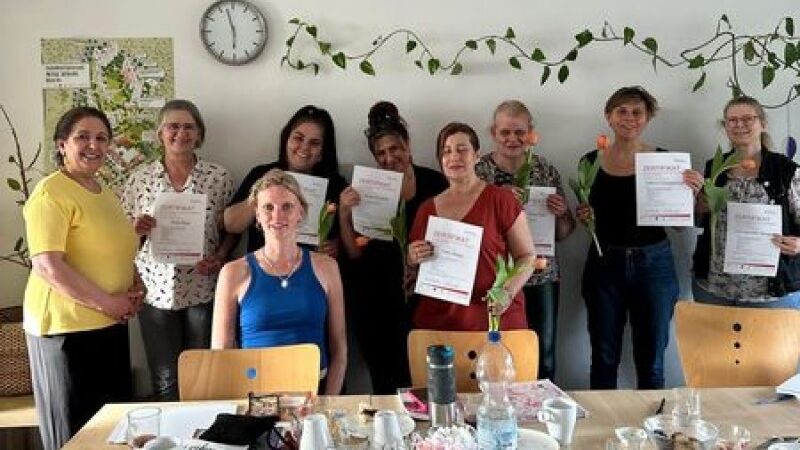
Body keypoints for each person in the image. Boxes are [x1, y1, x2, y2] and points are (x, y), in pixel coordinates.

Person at [23, 106, 143, 450]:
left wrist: (135, 283)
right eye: (83, 137)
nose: (94, 145)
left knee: (112, 433)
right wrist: (108, 303)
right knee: (75, 436)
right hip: (67, 331)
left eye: (102, 138)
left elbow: (115, 247)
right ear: (62, 144)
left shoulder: (103, 191)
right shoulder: (51, 193)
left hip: (109, 323)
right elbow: (47, 265)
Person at [576, 86, 697, 390]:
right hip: (604, 263)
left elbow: (680, 227)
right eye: (622, 111)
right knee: (603, 358)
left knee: (652, 360)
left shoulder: (666, 162)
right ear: (609, 116)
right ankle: (602, 420)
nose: (629, 118)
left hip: (654, 263)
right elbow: (589, 218)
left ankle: (653, 420)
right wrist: (585, 216)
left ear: (647, 118)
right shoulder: (589, 161)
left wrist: (691, 195)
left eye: (637, 112)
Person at [122, 99, 235, 400]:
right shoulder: (139, 179)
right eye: (173, 126)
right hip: (154, 290)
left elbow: (231, 229)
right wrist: (137, 230)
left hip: (202, 286)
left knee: (204, 374)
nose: (181, 133)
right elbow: (122, 240)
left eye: (189, 127)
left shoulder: (219, 177)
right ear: (160, 133)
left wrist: (220, 256)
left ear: (199, 134)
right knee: (166, 379)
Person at [338, 101, 448, 393]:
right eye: (381, 153)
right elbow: (354, 253)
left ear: (408, 145)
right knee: (384, 381)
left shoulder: (436, 183)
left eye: (394, 148)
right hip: (376, 298)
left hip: (424, 297)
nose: (389, 158)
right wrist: (344, 214)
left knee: (424, 378)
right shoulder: (367, 189)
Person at [212, 169, 347, 394]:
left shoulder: (327, 267)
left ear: (300, 212)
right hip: (255, 393)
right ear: (257, 214)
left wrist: (328, 404)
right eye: (268, 207)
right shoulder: (233, 272)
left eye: (287, 207)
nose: (277, 216)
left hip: (313, 391)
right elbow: (221, 353)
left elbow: (339, 350)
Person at [476, 100, 575, 381]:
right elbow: (468, 225)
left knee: (543, 355)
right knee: (495, 354)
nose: (512, 139)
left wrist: (562, 214)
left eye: (519, 132)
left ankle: (541, 406)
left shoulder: (545, 170)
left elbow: (564, 233)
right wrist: (497, 200)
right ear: (493, 133)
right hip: (495, 279)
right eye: (505, 132)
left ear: (530, 133)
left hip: (541, 276)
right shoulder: (478, 172)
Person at [408, 122, 536, 331]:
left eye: (462, 149)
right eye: (446, 151)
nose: (454, 157)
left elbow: (527, 256)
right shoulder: (426, 209)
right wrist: (412, 257)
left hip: (495, 322)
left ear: (477, 155)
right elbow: (413, 267)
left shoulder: (501, 200)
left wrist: (507, 293)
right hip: (440, 324)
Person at [692, 96, 800, 309]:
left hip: (770, 295)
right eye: (732, 120)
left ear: (763, 123)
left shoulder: (786, 170)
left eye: (747, 118)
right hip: (713, 288)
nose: (739, 124)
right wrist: (700, 206)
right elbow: (701, 220)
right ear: (725, 126)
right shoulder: (714, 167)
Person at [224, 105, 347, 257]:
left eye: (314, 143)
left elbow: (356, 242)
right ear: (286, 140)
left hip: (312, 269)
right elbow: (230, 225)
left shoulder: (335, 185)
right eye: (298, 138)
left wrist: (338, 245)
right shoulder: (261, 174)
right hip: (263, 268)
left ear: (323, 152)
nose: (304, 147)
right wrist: (261, 190)